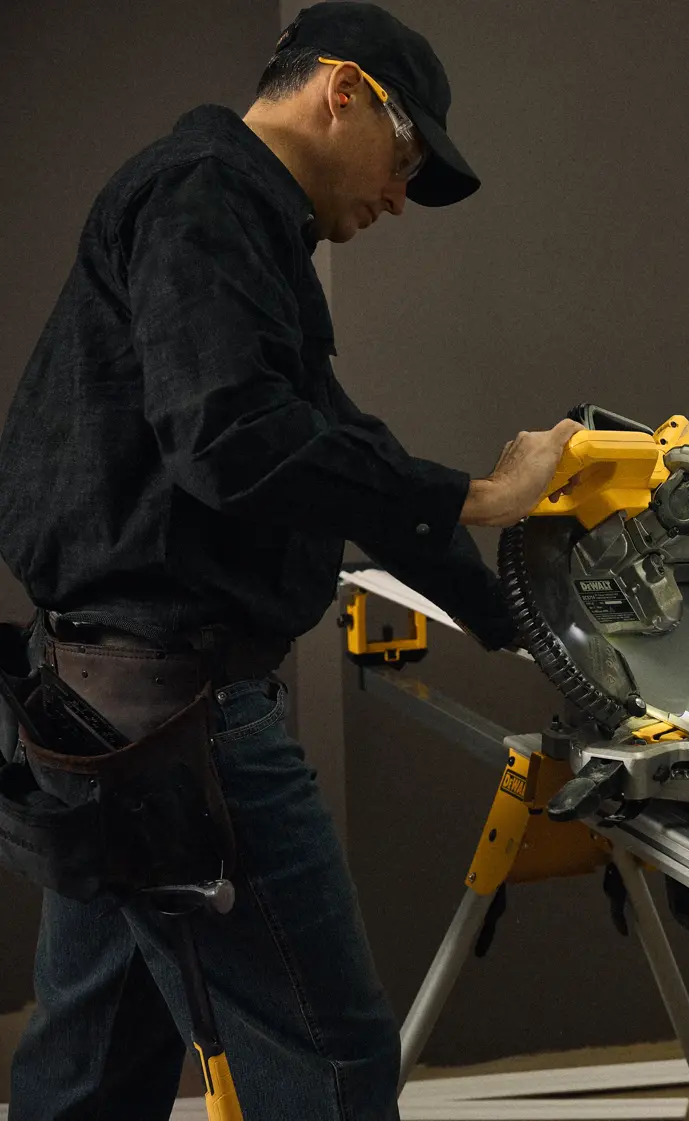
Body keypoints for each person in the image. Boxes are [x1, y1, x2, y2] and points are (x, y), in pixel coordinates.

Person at [0, 4, 575, 1117]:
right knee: (333, 1065)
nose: (402, 196)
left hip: (97, 708)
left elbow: (334, 446)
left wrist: (521, 612)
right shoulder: (205, 198)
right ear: (342, 90)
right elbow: (231, 443)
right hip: (176, 723)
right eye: (407, 161)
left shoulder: (239, 225)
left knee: (91, 1066)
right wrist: (480, 492)